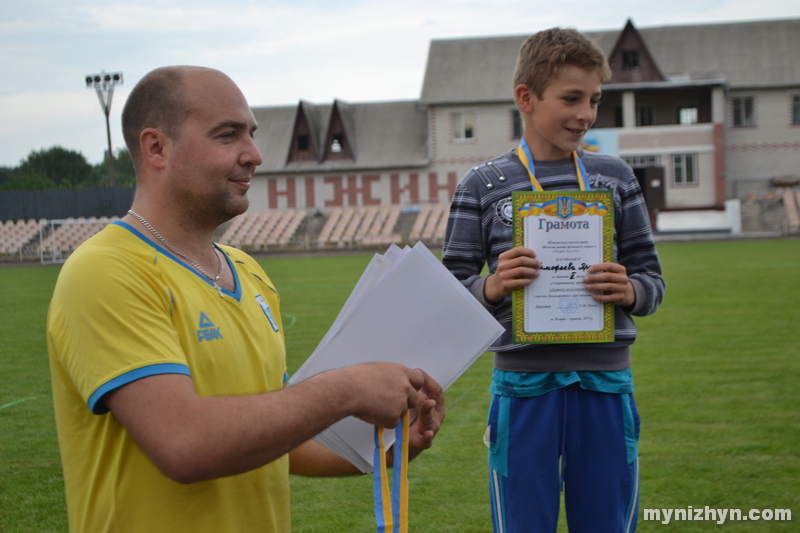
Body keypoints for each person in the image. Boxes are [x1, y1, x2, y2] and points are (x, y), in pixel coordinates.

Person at [46, 65, 445, 533]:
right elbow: (186, 443)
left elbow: (281, 441)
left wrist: (390, 448)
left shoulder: (249, 273)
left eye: (251, 134)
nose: (254, 154)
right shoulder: (107, 270)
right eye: (227, 135)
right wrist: (348, 389)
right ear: (157, 147)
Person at [441, 28, 665, 533]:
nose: (585, 114)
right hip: (523, 387)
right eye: (571, 98)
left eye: (594, 100)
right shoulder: (483, 185)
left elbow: (653, 280)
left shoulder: (615, 177)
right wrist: (492, 287)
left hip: (606, 384)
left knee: (606, 522)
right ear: (527, 97)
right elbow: (448, 295)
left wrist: (629, 290)